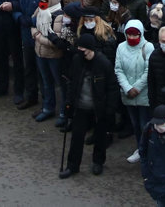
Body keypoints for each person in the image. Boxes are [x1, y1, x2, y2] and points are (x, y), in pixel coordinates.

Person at [61, 32, 116, 178]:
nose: (80, 52)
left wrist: (110, 109)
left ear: (91, 49)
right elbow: (71, 83)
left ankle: (98, 162)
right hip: (80, 106)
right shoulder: (77, 60)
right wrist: (68, 103)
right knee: (76, 138)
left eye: (83, 50)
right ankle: (72, 166)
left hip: (99, 108)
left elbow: (112, 88)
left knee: (100, 137)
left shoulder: (104, 64)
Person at [116, 19, 153, 163]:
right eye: (129, 34)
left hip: (143, 94)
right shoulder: (120, 47)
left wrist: (136, 88)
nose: (131, 38)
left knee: (145, 124)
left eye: (135, 34)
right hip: (128, 94)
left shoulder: (148, 47)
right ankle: (140, 148)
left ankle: (149, 151)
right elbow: (118, 69)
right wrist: (127, 88)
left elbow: (148, 70)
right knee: (135, 124)